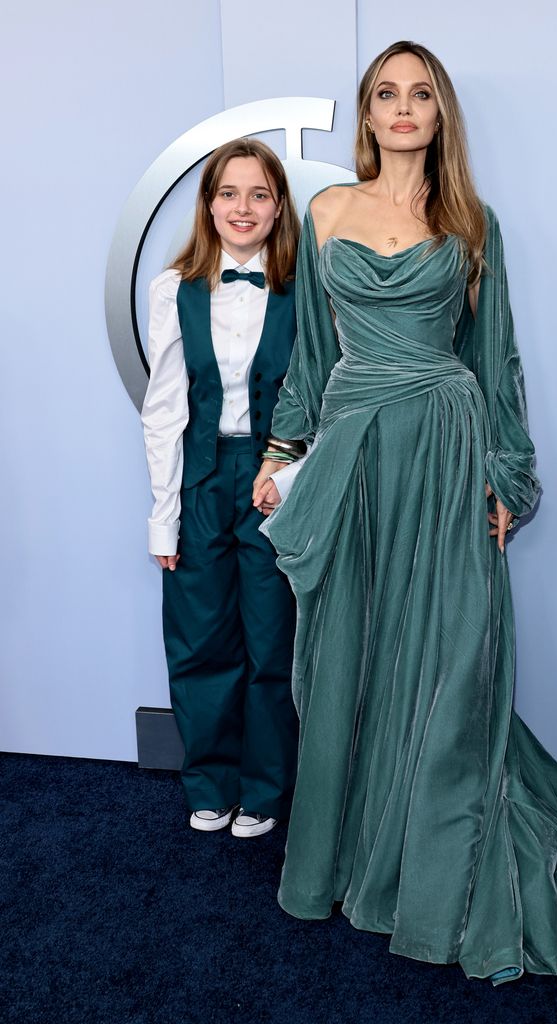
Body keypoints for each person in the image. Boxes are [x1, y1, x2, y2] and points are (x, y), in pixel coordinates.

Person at [252, 42, 557, 982]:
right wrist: (280, 449)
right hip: (353, 452)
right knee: (345, 649)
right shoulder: (327, 211)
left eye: (418, 94)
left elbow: (495, 356)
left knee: (444, 658)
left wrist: (505, 475)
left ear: (439, 116)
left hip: (443, 445)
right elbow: (310, 354)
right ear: (367, 113)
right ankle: (346, 856)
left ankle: (430, 858)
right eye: (385, 94)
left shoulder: (472, 222)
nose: (401, 108)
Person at [141, 138, 300, 838]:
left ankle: (265, 789)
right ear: (208, 203)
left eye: (258, 194)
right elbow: (165, 409)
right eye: (229, 193)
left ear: (277, 208)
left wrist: (287, 475)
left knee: (271, 642)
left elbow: (319, 396)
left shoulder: (305, 287)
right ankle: (210, 781)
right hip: (202, 476)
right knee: (200, 637)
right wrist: (162, 516)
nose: (242, 207)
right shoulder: (173, 287)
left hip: (273, 480)